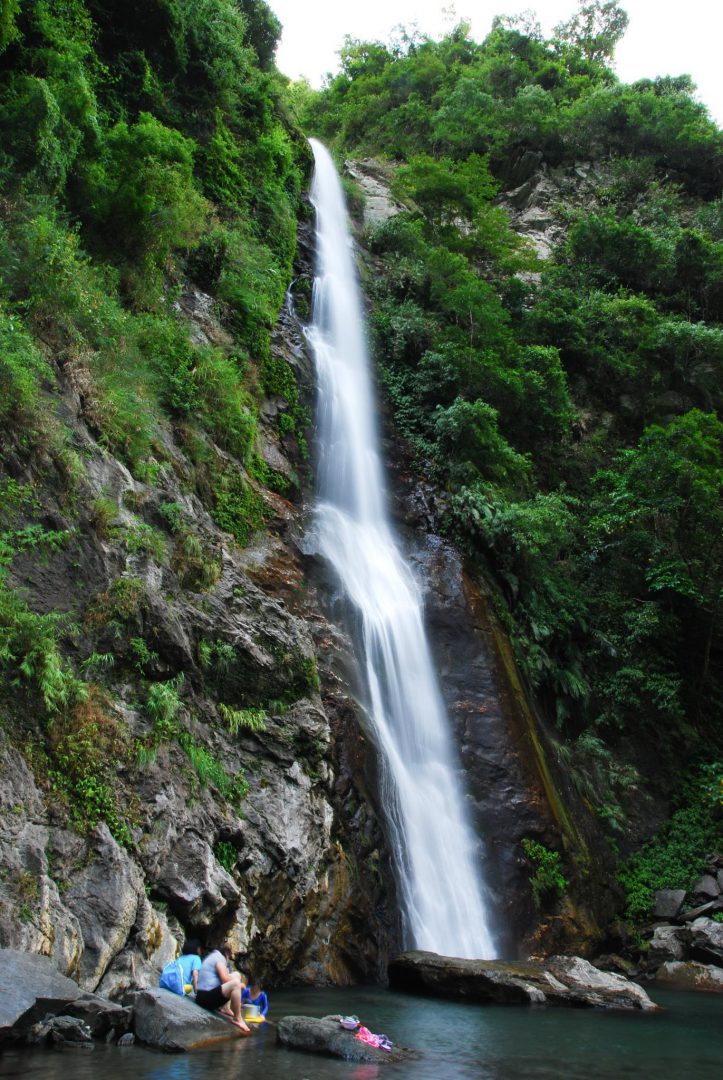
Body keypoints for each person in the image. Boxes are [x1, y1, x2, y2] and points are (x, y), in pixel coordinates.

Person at [195, 944, 250, 1032]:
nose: (228, 962)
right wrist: (240, 985)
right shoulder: (219, 958)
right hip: (205, 999)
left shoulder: (213, 956)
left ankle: (226, 1008)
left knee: (237, 975)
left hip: (203, 996)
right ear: (227, 955)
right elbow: (224, 978)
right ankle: (238, 1019)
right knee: (235, 983)